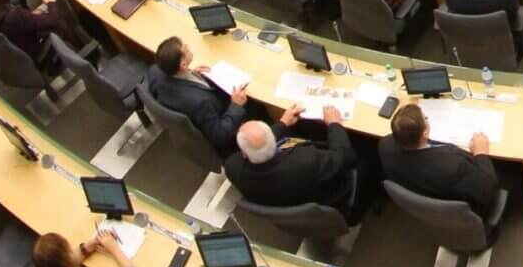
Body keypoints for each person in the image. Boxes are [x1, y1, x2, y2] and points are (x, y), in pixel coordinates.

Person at [378, 102, 502, 223]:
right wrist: (481, 152)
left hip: (426, 203)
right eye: (425, 118)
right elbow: (488, 190)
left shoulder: (384, 146)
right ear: (424, 134)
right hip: (463, 214)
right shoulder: (453, 167)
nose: (427, 119)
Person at [227, 116, 357, 215]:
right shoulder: (306, 161)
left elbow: (259, 146)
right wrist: (334, 124)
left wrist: (282, 123)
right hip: (329, 197)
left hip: (285, 202)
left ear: (243, 153)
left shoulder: (233, 168)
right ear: (274, 139)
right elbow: (345, 157)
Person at [149, 35, 255, 156]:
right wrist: (235, 105)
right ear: (183, 65)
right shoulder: (200, 102)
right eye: (186, 48)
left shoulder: (155, 71)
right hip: (226, 130)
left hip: (194, 105)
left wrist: (191, 74)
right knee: (256, 105)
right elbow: (219, 136)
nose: (188, 47)